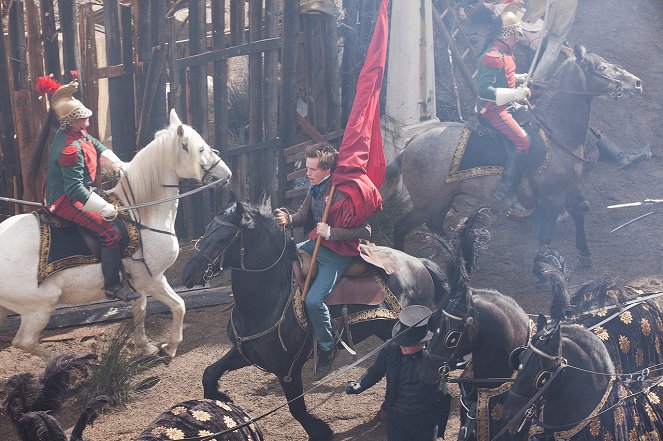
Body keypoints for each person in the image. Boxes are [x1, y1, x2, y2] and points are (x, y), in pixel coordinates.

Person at [274, 144, 370, 380]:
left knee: (315, 300)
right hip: (313, 244)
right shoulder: (314, 187)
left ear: (326, 169)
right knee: (280, 262)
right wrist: (287, 219)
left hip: (338, 254)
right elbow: (301, 217)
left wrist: (332, 232)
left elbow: (366, 231)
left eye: (312, 169)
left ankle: (327, 348)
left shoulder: (344, 191)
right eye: (307, 168)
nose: (307, 173)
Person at [44, 80, 140, 302]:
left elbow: (98, 147)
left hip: (79, 190)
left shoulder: (78, 133)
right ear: (70, 121)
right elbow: (74, 189)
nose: (87, 119)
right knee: (110, 234)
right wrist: (104, 207)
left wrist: (120, 165)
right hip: (65, 199)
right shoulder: (70, 149)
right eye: (82, 117)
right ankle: (112, 287)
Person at [345, 305, 452, 441]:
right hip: (396, 417)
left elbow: (444, 394)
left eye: (408, 343)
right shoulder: (390, 350)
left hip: (424, 421)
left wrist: (440, 425)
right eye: (401, 341)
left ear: (422, 342)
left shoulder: (435, 359)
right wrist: (360, 384)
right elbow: (375, 371)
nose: (403, 345)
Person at [476, 11, 531, 211]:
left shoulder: (505, 53)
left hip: (505, 105)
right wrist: (515, 95)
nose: (517, 40)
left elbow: (503, 77)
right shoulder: (493, 56)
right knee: (523, 142)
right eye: (516, 35)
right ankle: (506, 191)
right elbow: (483, 90)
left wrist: (518, 77)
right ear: (509, 34)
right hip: (493, 110)